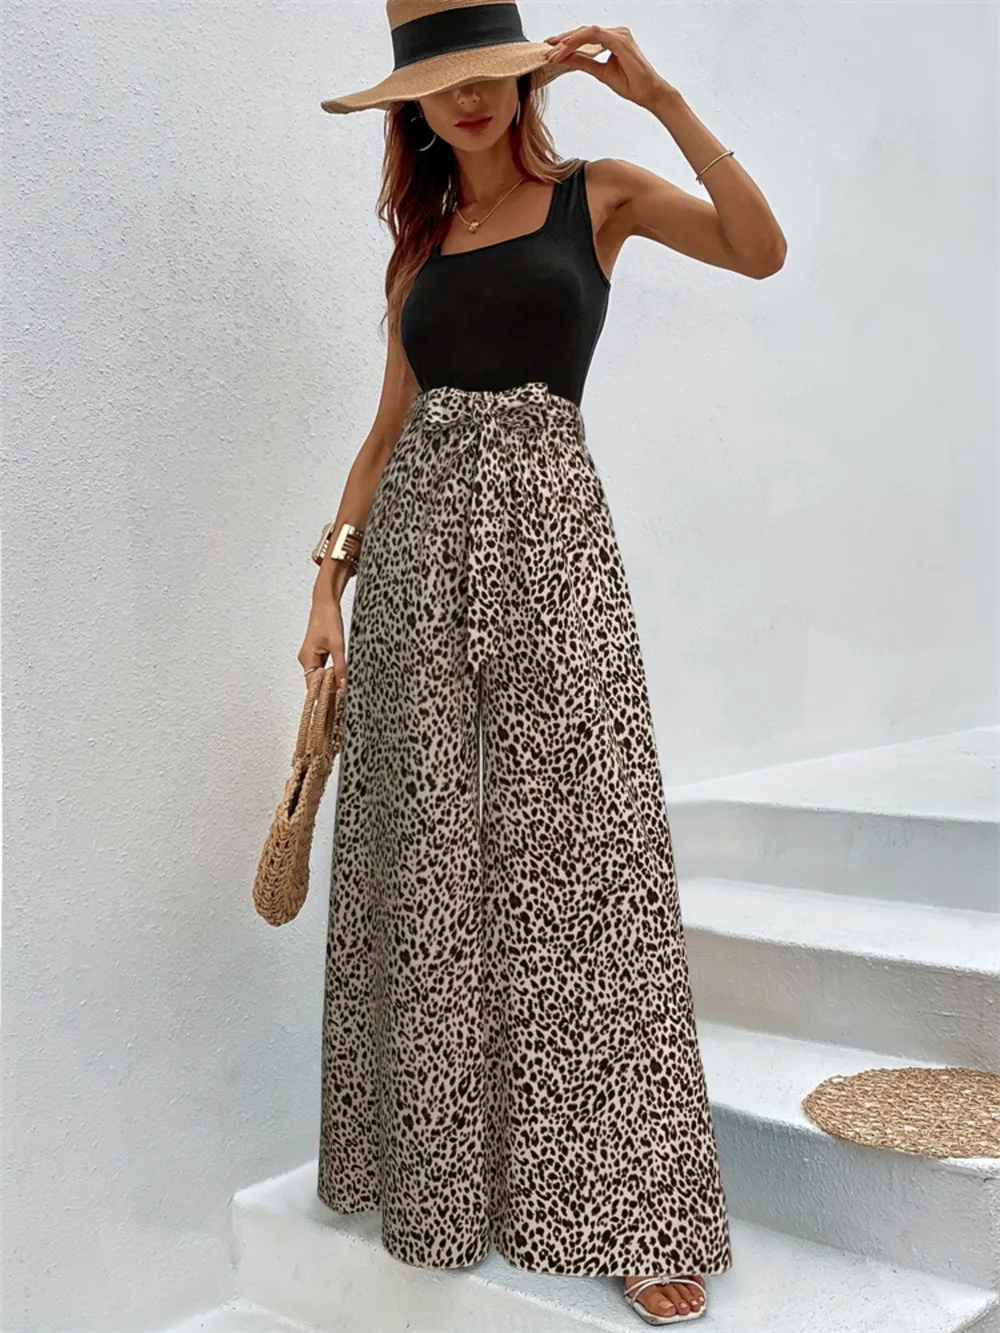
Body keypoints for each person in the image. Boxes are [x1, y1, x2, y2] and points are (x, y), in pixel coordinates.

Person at [300, 2, 786, 1324]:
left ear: (525, 78)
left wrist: (663, 101)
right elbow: (386, 433)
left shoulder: (598, 197)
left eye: (489, 74)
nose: (468, 100)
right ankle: (441, 1182)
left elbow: (761, 251)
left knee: (589, 872)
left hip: (553, 558)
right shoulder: (418, 251)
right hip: (412, 575)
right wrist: (327, 585)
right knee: (430, 871)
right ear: (413, 106)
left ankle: (638, 1210)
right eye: (441, 83)